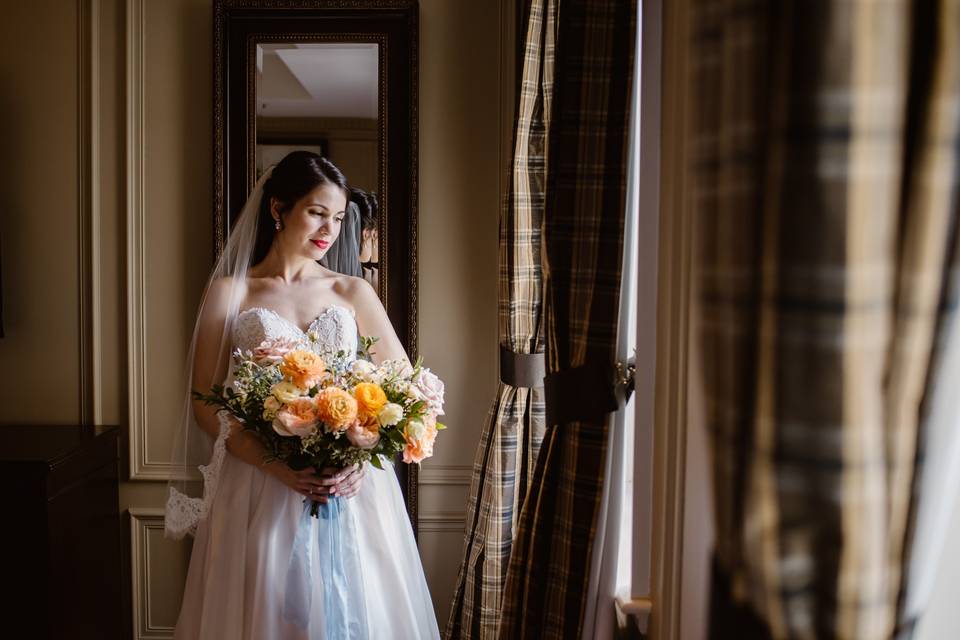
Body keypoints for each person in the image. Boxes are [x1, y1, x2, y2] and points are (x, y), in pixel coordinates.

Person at [165, 151, 440, 639]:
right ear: (278, 209)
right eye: (316, 212)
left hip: (349, 488)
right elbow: (205, 402)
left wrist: (360, 459)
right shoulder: (232, 292)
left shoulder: (353, 291)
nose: (329, 230)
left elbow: (406, 390)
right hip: (259, 483)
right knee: (265, 611)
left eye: (337, 218)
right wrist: (277, 466)